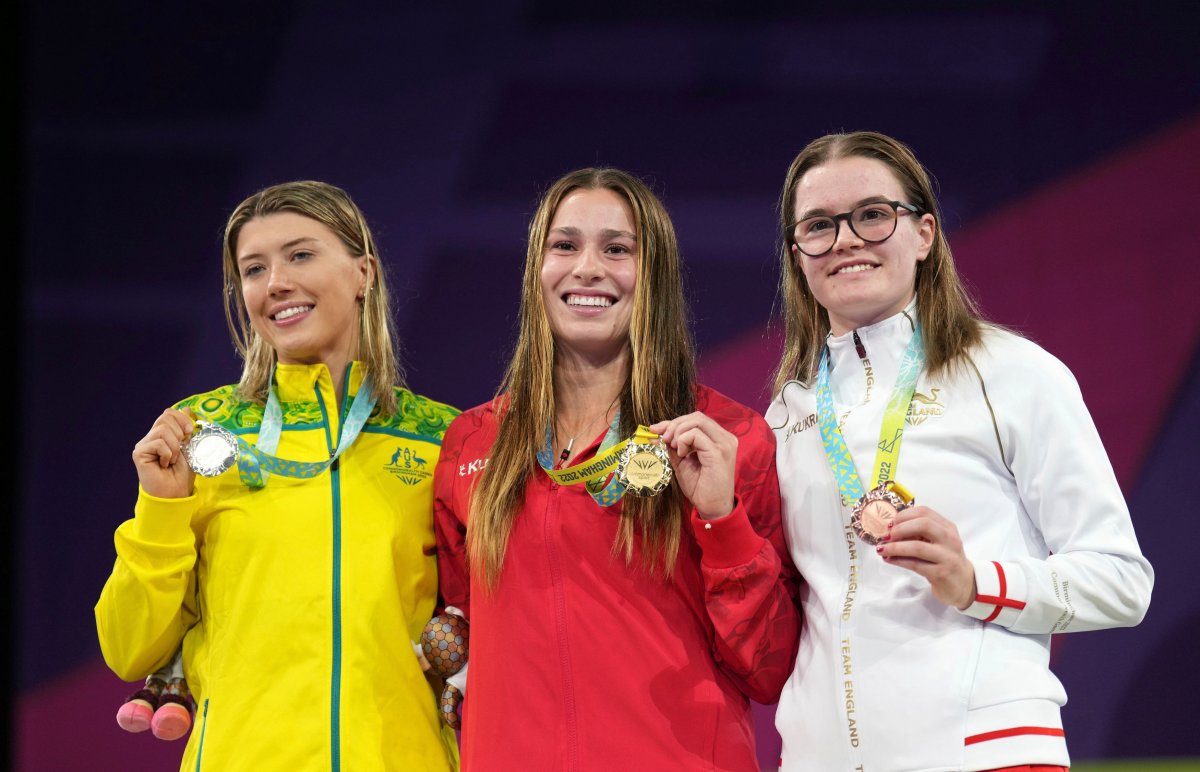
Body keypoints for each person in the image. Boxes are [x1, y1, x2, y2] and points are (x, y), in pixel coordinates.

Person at [765, 131, 1154, 771]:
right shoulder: (789, 415)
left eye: (872, 215)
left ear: (923, 234)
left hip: (984, 753)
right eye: (818, 226)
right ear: (798, 255)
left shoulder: (1012, 374)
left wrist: (975, 581)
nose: (846, 240)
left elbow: (1121, 582)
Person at [433, 167, 802, 770]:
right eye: (565, 245)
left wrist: (721, 520)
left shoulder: (725, 437)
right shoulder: (473, 441)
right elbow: (461, 632)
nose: (588, 269)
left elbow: (767, 669)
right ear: (537, 270)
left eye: (617, 249)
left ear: (652, 274)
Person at [95, 180, 461, 771]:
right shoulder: (200, 434)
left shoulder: (442, 439)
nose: (276, 284)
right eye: (253, 268)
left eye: (300, 255)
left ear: (363, 271)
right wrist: (160, 509)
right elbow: (127, 648)